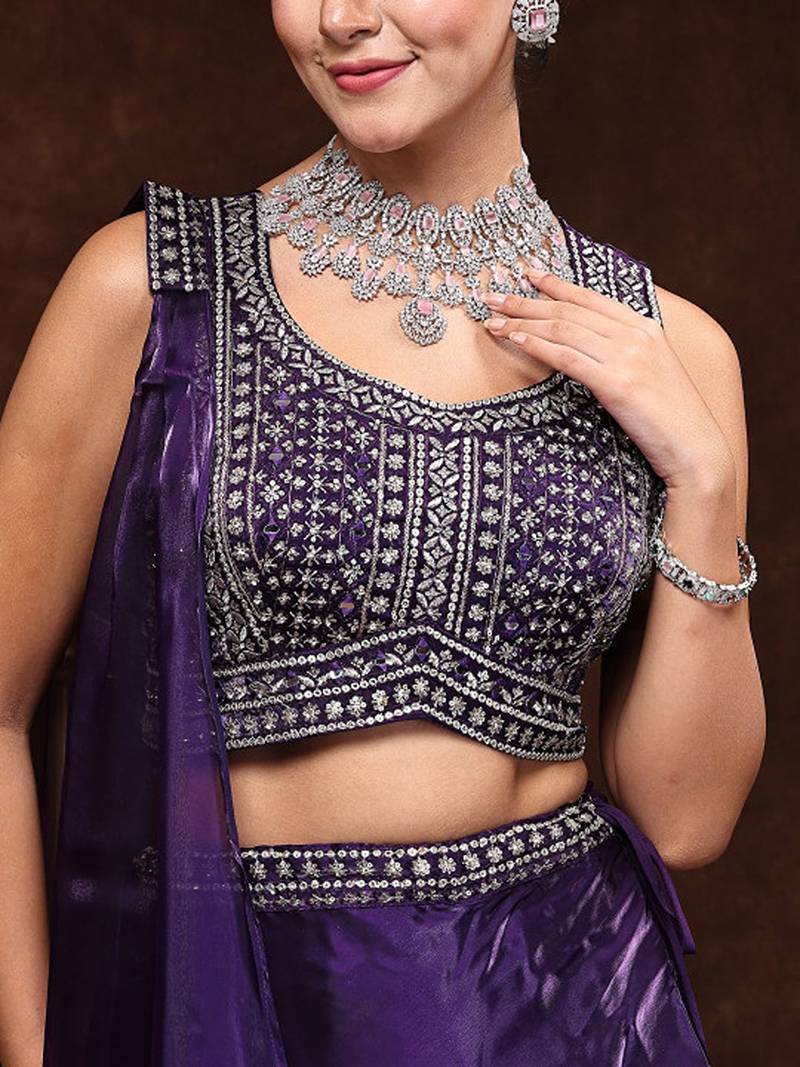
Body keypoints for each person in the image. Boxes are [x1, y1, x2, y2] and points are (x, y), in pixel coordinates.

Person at [0, 2, 766, 1065]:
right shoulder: (152, 288)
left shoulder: (671, 351)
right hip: (234, 1000)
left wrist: (703, 478)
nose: (342, 18)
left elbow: (684, 821)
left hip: (567, 1007)